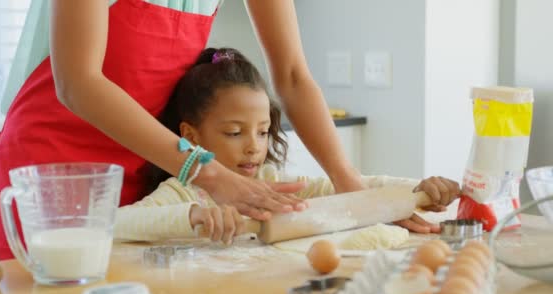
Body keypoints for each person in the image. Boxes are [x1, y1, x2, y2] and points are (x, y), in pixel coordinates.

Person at [0, 0, 373, 260]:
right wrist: (210, 172)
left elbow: (291, 76)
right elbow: (78, 83)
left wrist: (345, 179)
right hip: (59, 171)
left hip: (153, 168)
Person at [113, 47, 461, 245]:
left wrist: (415, 189)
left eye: (263, 132)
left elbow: (336, 188)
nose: (253, 147)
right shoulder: (184, 191)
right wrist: (194, 216)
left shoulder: (268, 178)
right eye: (235, 133)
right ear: (191, 137)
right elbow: (118, 223)